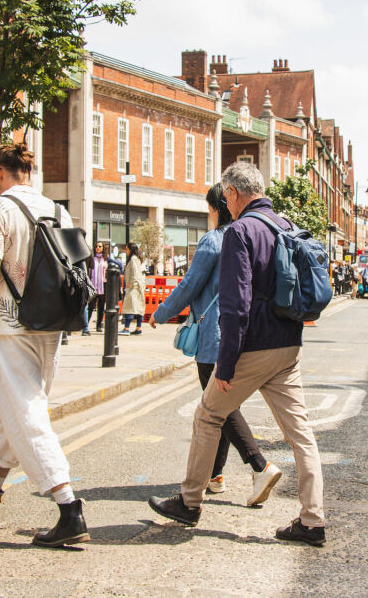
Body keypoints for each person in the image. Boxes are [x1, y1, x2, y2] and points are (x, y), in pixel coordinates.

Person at [148, 162, 326, 546]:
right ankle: (312, 521)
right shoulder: (287, 226)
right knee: (301, 435)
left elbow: (236, 305)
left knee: (209, 413)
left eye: (226, 197)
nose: (226, 205)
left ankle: (189, 502)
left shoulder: (240, 232)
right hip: (289, 347)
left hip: (253, 348)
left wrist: (226, 363)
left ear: (232, 193)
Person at [0, 143, 88, 548]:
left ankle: (69, 508)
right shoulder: (58, 210)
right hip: (52, 324)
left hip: (12, 325)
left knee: (26, 412)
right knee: (21, 408)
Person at [148, 183, 280, 502]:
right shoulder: (247, 238)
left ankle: (260, 467)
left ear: (215, 208)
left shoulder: (213, 241)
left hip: (214, 338)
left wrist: (160, 313)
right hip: (244, 335)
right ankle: (216, 476)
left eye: (208, 207)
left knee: (219, 407)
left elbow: (189, 286)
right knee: (220, 407)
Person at [81, 241, 108, 335]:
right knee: (91, 306)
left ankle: (99, 325)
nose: (98, 247)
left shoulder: (106, 259)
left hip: (102, 285)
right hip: (93, 284)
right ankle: (86, 325)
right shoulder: (92, 258)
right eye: (96, 246)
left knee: (101, 306)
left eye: (100, 246)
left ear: (103, 248)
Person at [120, 242, 145, 335]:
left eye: (127, 249)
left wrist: (131, 283)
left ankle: (126, 328)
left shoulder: (133, 259)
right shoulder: (138, 259)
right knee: (138, 308)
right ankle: (138, 328)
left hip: (133, 286)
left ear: (130, 249)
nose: (126, 251)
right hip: (138, 286)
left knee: (130, 307)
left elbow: (135, 272)